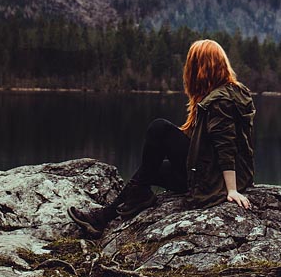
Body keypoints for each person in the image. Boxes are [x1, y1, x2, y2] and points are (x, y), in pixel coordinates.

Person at [68, 39, 255, 238]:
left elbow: (226, 146)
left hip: (213, 179)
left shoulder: (221, 100)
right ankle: (105, 217)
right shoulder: (226, 93)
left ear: (201, 67)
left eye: (191, 63)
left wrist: (232, 190)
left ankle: (107, 215)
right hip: (210, 171)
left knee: (159, 128)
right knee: (149, 171)